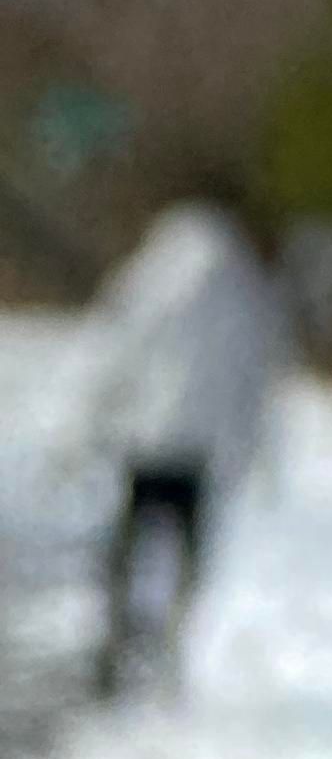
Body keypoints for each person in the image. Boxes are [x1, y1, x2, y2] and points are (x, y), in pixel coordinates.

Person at [85, 199, 285, 696]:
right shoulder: (245, 293)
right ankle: (174, 639)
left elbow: (118, 350)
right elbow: (258, 378)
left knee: (130, 544)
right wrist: (258, 453)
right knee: (187, 549)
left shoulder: (152, 282)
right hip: (199, 450)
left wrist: (94, 420)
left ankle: (119, 634)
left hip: (149, 440)